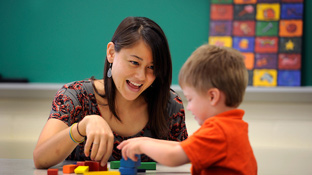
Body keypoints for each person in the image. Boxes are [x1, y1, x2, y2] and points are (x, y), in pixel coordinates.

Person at [33, 16, 188, 169]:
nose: (141, 76)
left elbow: (187, 161)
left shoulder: (169, 105)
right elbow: (40, 159)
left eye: (152, 67)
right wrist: (81, 127)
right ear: (111, 53)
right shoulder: (75, 96)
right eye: (134, 62)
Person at [118, 44, 258, 174]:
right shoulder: (232, 126)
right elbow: (183, 146)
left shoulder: (219, 130)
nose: (189, 107)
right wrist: (145, 141)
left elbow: (174, 156)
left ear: (212, 97)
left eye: (190, 99)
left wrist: (142, 147)